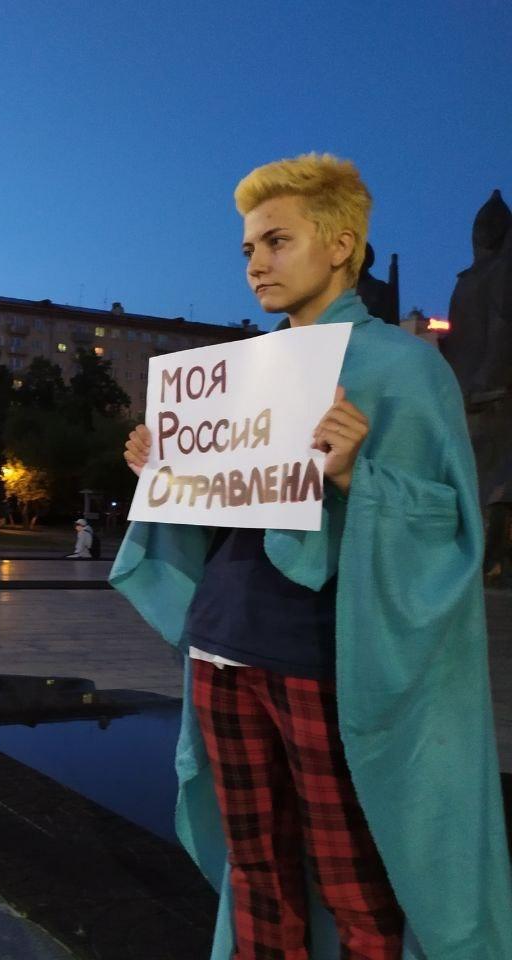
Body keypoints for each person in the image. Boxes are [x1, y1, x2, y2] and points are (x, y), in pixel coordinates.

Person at [112, 153, 512, 958]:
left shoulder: (406, 367)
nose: (255, 263)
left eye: (277, 241)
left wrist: (360, 475)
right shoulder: (243, 371)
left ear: (339, 245)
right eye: (247, 249)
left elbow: (454, 527)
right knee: (256, 871)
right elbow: (223, 507)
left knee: (354, 884)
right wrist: (161, 469)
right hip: (221, 647)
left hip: (325, 661)